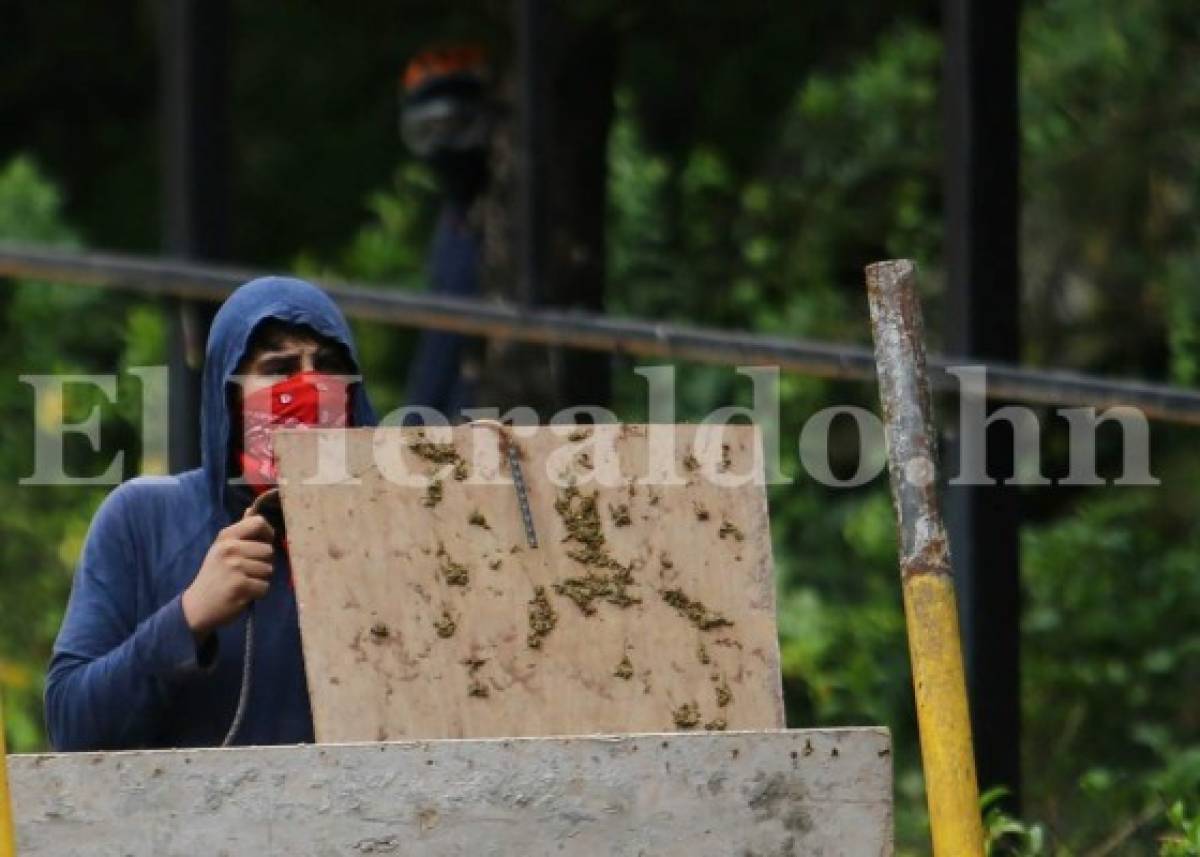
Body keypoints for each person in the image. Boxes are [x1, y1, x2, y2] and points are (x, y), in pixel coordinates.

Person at [45, 276, 377, 750]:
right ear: (229, 395)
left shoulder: (394, 535)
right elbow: (71, 728)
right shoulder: (145, 519)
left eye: (328, 366)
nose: (309, 387)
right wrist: (188, 617)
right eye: (280, 369)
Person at [399, 44, 491, 421]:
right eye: (428, 131)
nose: (442, 146)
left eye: (457, 127)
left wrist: (413, 426)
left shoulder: (492, 219)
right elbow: (438, 347)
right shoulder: (455, 219)